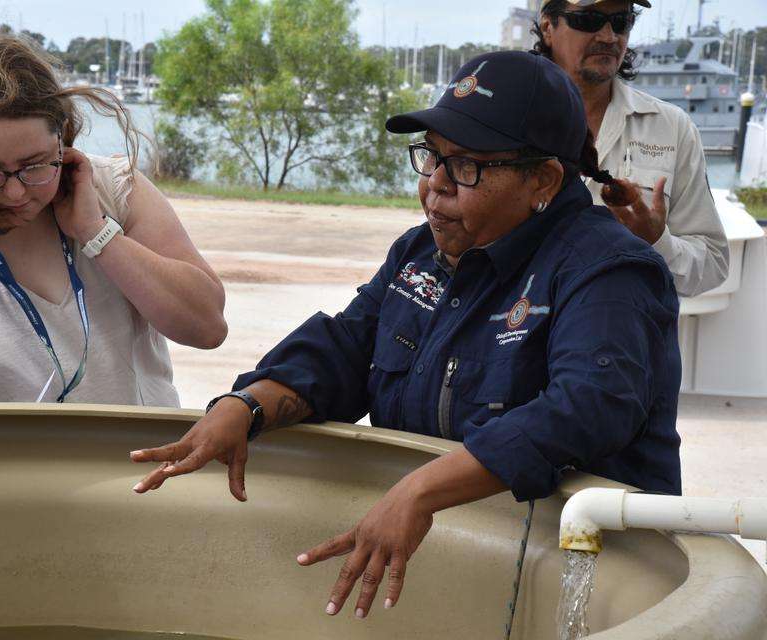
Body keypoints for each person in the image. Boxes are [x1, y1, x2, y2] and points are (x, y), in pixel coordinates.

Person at [129, 51, 682, 619]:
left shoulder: (609, 270)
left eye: (466, 167)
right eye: (432, 159)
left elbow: (589, 406)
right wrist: (246, 405)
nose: (434, 189)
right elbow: (349, 347)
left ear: (542, 178)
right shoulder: (422, 252)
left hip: (590, 574)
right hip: (459, 561)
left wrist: (419, 491)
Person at [0, 33, 227, 404]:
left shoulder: (116, 190)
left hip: (141, 462)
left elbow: (207, 327)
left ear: (63, 141)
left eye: (34, 165)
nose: (16, 192)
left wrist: (98, 235)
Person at [534, 0, 728, 297]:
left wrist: (656, 242)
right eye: (589, 19)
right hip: (517, 333)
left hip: (626, 334)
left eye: (621, 21)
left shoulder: (673, 127)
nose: (609, 36)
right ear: (548, 27)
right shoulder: (504, 117)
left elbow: (712, 264)